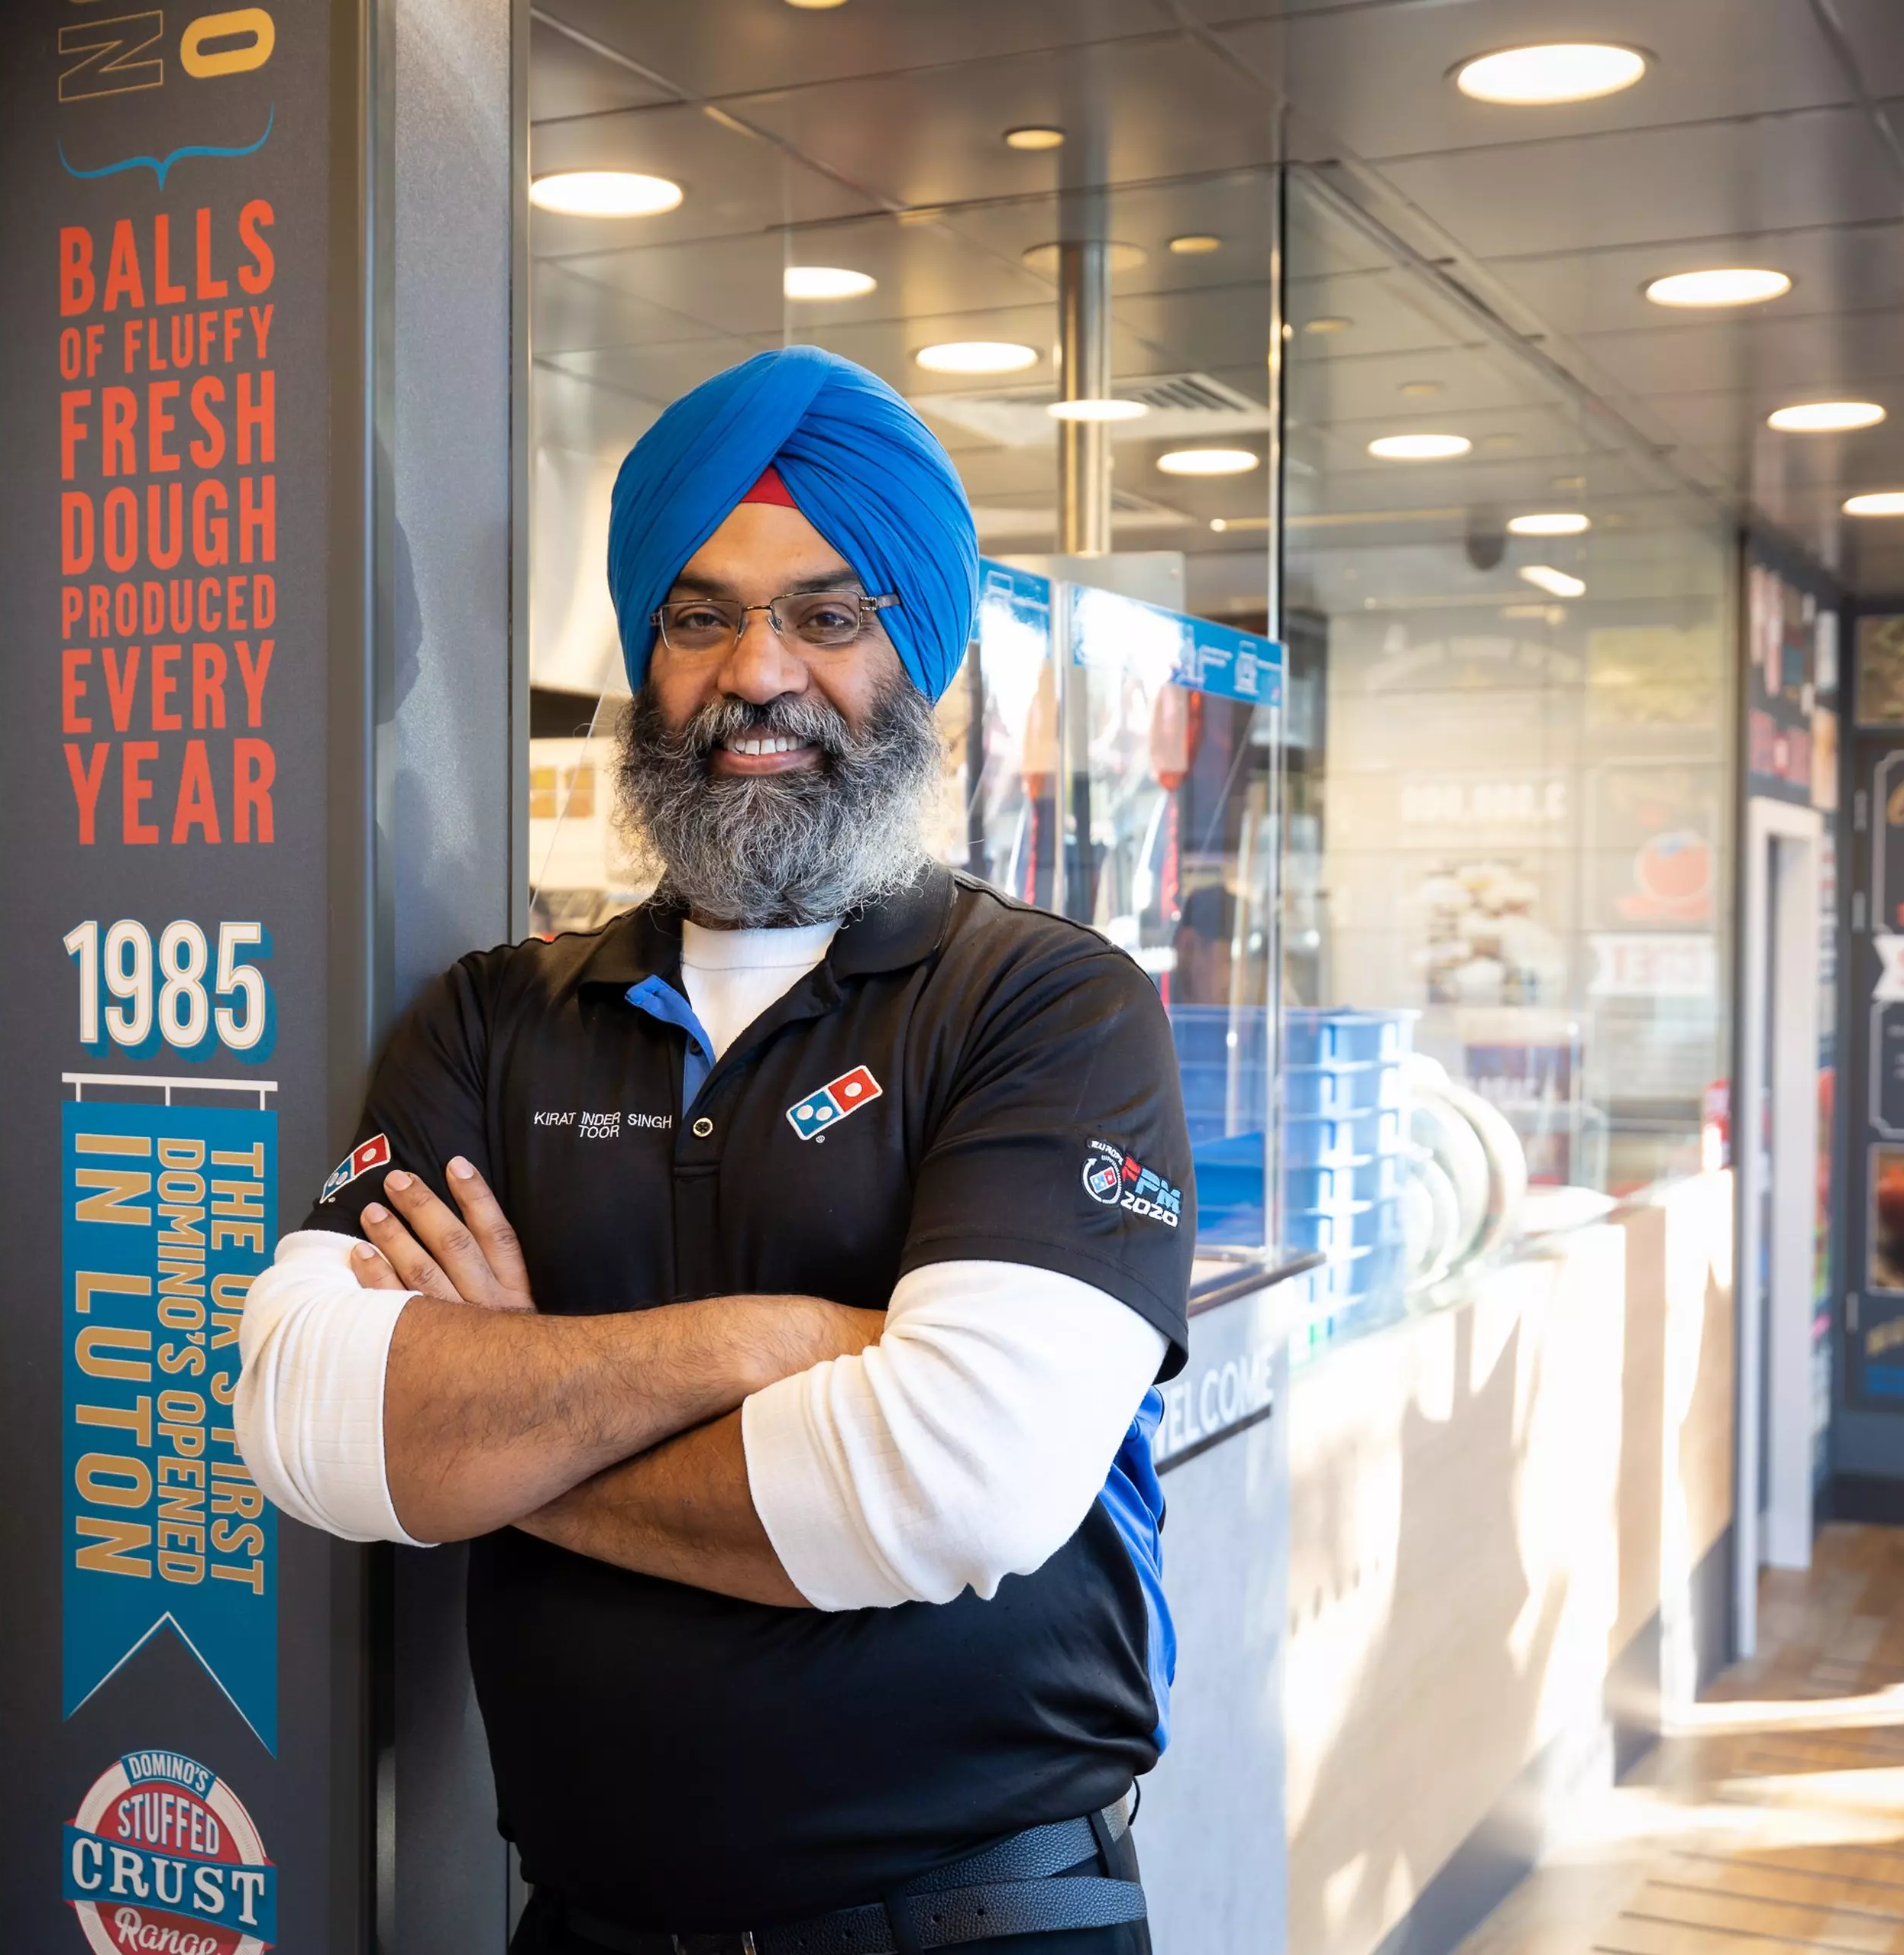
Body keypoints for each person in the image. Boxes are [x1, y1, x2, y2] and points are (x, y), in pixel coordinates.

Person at [234, 344, 1195, 1954]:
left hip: (977, 1922)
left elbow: (953, 1482)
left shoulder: (1046, 1004)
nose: (758, 672)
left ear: (918, 659)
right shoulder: (494, 1018)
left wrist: (503, 1419)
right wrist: (779, 1342)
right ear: (650, 653)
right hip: (589, 1925)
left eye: (828, 614)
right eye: (700, 615)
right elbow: (308, 1420)